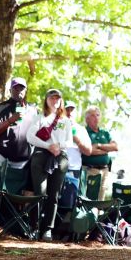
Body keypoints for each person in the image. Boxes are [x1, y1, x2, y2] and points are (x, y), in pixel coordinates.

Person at [27, 89, 74, 241]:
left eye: (58, 98)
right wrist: (48, 146)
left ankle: (48, 229)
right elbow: (30, 137)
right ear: (46, 100)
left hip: (59, 157)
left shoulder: (65, 121)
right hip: (41, 155)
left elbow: (70, 142)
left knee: (54, 195)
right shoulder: (39, 118)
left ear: (61, 101)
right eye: (52, 98)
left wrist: (58, 146)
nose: (55, 101)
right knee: (40, 192)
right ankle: (34, 227)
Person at [0, 77, 33, 173]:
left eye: (22, 88)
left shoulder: (33, 110)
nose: (19, 90)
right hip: (0, 155)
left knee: (15, 188)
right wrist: (10, 120)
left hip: (22, 160)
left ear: (26, 90)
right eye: (15, 88)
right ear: (10, 90)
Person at [81, 105, 118, 200]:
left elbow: (115, 147)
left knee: (101, 199)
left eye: (97, 115)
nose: (96, 117)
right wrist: (106, 150)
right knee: (89, 198)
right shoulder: (83, 132)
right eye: (93, 115)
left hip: (104, 171)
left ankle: (98, 214)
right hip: (89, 171)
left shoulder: (105, 133)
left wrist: (99, 145)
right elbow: (88, 151)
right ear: (87, 118)